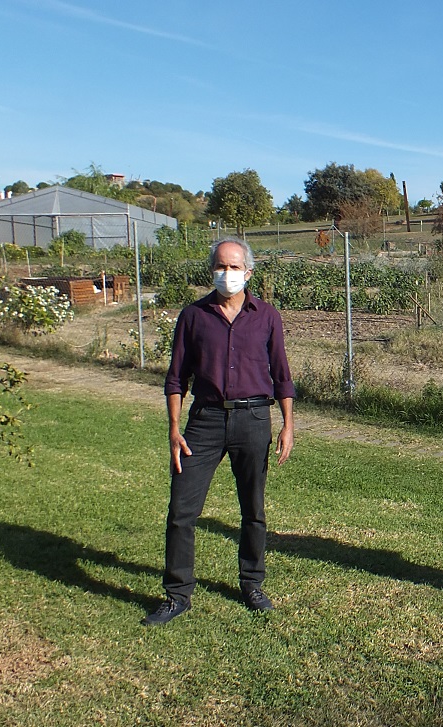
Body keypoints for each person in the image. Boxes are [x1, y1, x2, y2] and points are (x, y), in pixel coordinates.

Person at [143, 238, 296, 626]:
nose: (227, 274)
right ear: (211, 270)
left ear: (248, 272)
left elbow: (282, 375)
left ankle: (252, 583)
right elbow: (176, 378)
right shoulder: (193, 316)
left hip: (253, 420)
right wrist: (174, 428)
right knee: (181, 510)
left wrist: (287, 425)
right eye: (220, 266)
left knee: (253, 510)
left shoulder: (267, 316)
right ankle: (177, 595)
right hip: (205, 421)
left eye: (234, 267)